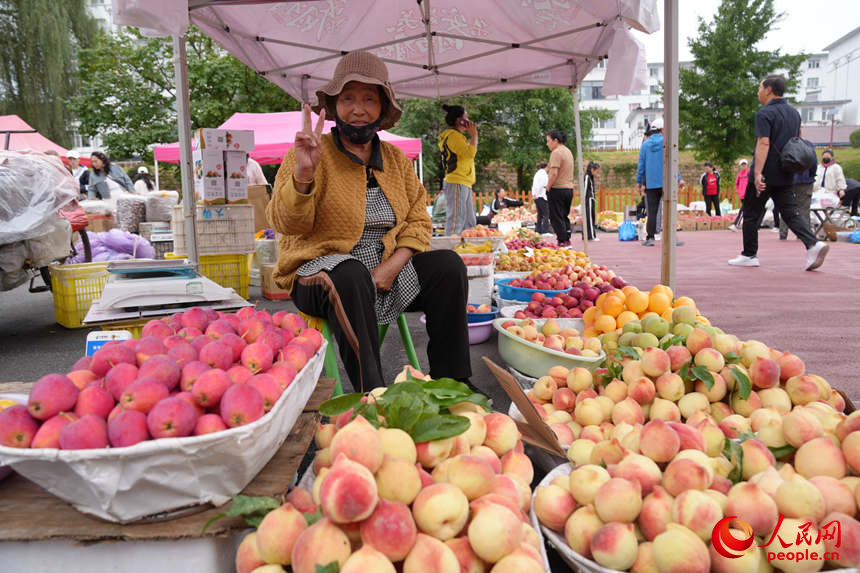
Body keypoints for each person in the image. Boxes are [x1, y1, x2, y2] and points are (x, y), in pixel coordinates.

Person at [267, 51, 471, 392]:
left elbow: (419, 221)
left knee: (448, 266)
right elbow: (288, 223)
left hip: (383, 269)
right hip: (317, 271)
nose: (358, 109)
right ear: (333, 106)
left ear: (382, 108)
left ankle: (453, 384)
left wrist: (391, 268)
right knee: (349, 275)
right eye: (347, 98)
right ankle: (372, 395)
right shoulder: (310, 153)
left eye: (368, 99)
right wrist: (304, 174)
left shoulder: (395, 160)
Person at [728, 75, 828, 270]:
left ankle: (749, 254)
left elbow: (764, 143)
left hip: (766, 173)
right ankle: (813, 243)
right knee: (790, 213)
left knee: (750, 213)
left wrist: (757, 173)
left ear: (769, 90)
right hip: (786, 172)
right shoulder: (794, 114)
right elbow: (797, 140)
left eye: (759, 88)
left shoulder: (764, 114)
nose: (758, 92)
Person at [636, 118, 685, 247]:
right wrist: (679, 179)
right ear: (663, 130)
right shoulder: (667, 143)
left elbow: (641, 165)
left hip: (651, 184)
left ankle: (650, 237)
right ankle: (671, 238)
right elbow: (673, 163)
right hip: (666, 182)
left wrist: (639, 182)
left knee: (652, 211)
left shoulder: (645, 145)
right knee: (669, 210)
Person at [438, 104, 478, 236]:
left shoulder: (457, 136)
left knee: (469, 221)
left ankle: (467, 250)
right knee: (456, 221)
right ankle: (451, 250)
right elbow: (469, 154)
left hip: (463, 181)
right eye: (466, 118)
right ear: (459, 120)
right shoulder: (453, 136)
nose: (468, 121)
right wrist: (474, 136)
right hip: (457, 181)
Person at [545, 129, 575, 246]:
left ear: (555, 140)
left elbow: (553, 173)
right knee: (564, 215)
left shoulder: (556, 153)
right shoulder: (568, 151)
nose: (547, 144)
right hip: (569, 188)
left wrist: (547, 187)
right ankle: (567, 238)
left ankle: (562, 240)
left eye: (548, 141)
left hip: (558, 188)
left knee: (556, 216)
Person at [781, 143, 816, 241]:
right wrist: (812, 174)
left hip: (789, 180)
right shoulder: (809, 145)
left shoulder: (786, 145)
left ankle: (783, 233)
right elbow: (814, 162)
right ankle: (803, 235)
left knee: (785, 206)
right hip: (805, 181)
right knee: (804, 208)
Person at [729, 159, 749, 231]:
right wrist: (739, 191)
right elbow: (736, 183)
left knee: (743, 209)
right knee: (747, 210)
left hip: (748, 194)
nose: (743, 166)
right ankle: (750, 225)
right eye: (742, 165)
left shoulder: (749, 173)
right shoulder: (739, 174)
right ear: (740, 166)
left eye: (745, 164)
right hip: (742, 195)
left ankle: (736, 224)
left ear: (747, 165)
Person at [531, 161, 550, 233]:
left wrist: (534, 194)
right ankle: (545, 231)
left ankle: (538, 230)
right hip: (541, 195)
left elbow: (535, 185)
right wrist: (537, 193)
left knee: (540, 214)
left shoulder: (537, 173)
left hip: (537, 196)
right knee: (546, 214)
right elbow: (541, 185)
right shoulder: (543, 174)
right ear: (547, 166)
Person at [584, 161, 600, 241]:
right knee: (589, 218)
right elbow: (585, 188)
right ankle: (591, 236)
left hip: (591, 199)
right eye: (596, 171)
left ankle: (588, 235)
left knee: (591, 217)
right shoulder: (587, 176)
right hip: (588, 199)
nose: (597, 173)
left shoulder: (591, 177)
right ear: (592, 170)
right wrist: (583, 201)